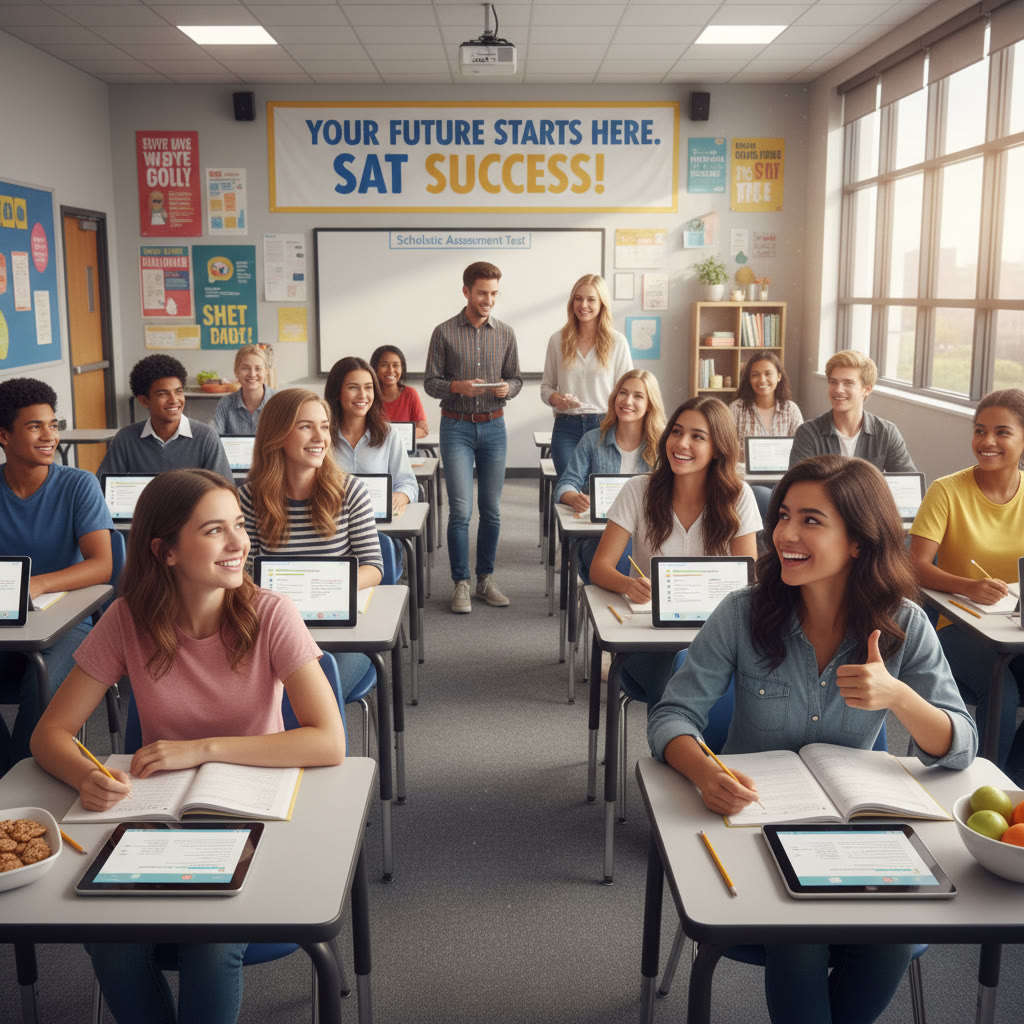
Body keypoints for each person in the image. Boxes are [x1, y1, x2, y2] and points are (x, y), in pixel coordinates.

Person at [648, 454, 977, 1024]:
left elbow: (960, 744)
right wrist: (707, 772)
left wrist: (899, 697)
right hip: (756, 828)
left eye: (811, 521)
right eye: (783, 517)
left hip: (865, 838)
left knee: (891, 940)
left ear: (858, 541)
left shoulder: (904, 622)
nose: (785, 535)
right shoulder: (742, 613)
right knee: (797, 934)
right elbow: (671, 716)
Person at [30, 468, 346, 1024]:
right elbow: (49, 736)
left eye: (239, 527)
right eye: (214, 531)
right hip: (157, 818)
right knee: (109, 939)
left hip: (257, 814)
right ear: (166, 551)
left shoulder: (271, 613)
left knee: (212, 940)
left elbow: (328, 741)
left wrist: (202, 748)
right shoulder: (128, 619)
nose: (238, 544)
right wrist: (86, 777)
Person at [590, 396, 760, 706]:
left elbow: (748, 580)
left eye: (697, 436)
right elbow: (600, 567)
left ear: (718, 448)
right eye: (677, 432)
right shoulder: (638, 489)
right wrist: (629, 585)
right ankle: (677, 749)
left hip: (717, 634)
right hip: (652, 640)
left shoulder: (739, 496)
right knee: (675, 681)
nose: (681, 443)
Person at [909, 388, 1024, 785]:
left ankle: (1013, 785)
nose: (987, 442)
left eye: (1002, 432)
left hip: (1014, 629)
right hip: (957, 628)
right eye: (980, 430)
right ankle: (984, 788)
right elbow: (915, 566)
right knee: (1003, 689)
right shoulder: (947, 490)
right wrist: (968, 587)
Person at [0, 378, 113, 774]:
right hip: (5, 624)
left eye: (53, 424)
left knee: (40, 676)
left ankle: (20, 786)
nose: (50, 436)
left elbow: (102, 564)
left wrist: (40, 584)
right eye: (35, 426)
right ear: (3, 436)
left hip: (69, 624)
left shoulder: (77, 485)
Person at [239, 390, 383, 698]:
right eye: (305, 426)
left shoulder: (351, 491)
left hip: (339, 635)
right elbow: (243, 575)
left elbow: (373, 567)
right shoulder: (248, 499)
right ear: (277, 435)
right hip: (273, 629)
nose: (320, 436)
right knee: (256, 695)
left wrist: (322, 590)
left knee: (313, 696)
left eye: (324, 425)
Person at [424, 261, 523, 613]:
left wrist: (506, 390)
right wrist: (456, 387)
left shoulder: (506, 333)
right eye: (482, 293)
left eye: (494, 293)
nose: (489, 300)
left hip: (494, 427)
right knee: (461, 511)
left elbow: (516, 379)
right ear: (466, 291)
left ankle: (485, 579)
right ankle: (460, 583)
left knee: (492, 511)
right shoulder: (444, 332)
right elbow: (430, 383)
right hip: (456, 427)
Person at [540, 274, 633, 479]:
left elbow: (629, 392)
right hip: (566, 428)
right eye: (578, 298)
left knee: (597, 495)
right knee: (570, 490)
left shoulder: (617, 342)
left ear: (602, 304)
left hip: (604, 427)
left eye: (591, 299)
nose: (584, 305)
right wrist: (558, 400)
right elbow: (546, 387)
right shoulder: (558, 340)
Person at [98, 355, 233, 481]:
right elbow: (104, 488)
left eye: (178, 392)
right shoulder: (126, 438)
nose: (174, 400)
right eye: (163, 394)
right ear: (144, 401)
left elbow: (225, 491)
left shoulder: (206, 437)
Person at [789, 350, 916, 471]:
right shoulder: (808, 433)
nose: (838, 389)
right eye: (833, 382)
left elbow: (908, 485)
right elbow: (797, 486)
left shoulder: (886, 433)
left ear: (866, 389)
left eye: (848, 383)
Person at [325, 356, 418, 516]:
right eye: (353, 387)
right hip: (333, 524)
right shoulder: (322, 435)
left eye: (368, 388)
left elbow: (407, 482)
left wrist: (399, 497)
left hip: (378, 525)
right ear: (337, 392)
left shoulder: (389, 434)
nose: (363, 395)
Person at [730, 352, 803, 518]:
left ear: (778, 376)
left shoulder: (791, 410)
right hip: (746, 481)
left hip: (783, 480)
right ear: (748, 379)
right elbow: (726, 449)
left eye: (768, 374)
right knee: (762, 496)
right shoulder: (736, 409)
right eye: (755, 375)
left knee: (776, 495)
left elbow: (800, 453)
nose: (762, 380)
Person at [210, 345, 275, 436]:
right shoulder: (225, 404)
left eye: (258, 368)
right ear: (236, 371)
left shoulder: (280, 402)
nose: (252, 374)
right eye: (245, 368)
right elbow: (213, 438)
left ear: (266, 372)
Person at [371, 344, 428, 438]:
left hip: (404, 449)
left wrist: (393, 435)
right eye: (384, 365)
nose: (390, 370)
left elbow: (423, 430)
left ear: (402, 368)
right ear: (375, 368)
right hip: (375, 449)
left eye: (395, 365)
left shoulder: (410, 394)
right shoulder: (368, 395)